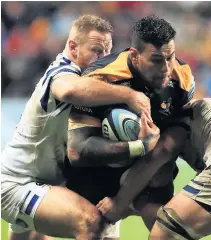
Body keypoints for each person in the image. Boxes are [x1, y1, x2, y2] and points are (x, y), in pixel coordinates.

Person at [1, 14, 153, 240]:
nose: (103, 58)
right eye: (96, 51)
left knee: (106, 229)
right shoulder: (61, 72)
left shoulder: (99, 83)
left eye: (107, 52)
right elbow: (69, 91)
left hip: (54, 184)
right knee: (91, 223)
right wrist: (130, 95)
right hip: (18, 184)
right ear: (73, 47)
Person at [65, 14, 195, 232]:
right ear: (134, 56)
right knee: (93, 226)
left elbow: (171, 143)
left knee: (166, 226)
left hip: (147, 171)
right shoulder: (99, 77)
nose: (166, 68)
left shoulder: (182, 77)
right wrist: (139, 146)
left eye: (170, 57)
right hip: (97, 172)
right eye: (156, 60)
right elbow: (77, 151)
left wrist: (123, 199)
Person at [97, 98, 211, 240]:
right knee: (175, 224)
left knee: (164, 235)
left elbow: (161, 154)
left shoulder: (177, 119)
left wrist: (120, 202)